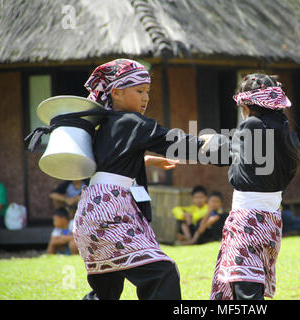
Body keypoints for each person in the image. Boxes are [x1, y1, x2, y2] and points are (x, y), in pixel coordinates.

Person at [72, 58, 214, 300]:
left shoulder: (101, 124)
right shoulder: (132, 122)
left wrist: (147, 160)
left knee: (106, 291)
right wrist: (207, 144)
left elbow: (108, 164)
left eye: (148, 92)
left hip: (88, 216)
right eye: (139, 91)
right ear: (116, 92)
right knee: (162, 273)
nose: (146, 98)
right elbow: (174, 143)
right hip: (111, 215)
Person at [210, 74, 300, 300]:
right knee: (251, 283)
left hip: (248, 219)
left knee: (245, 289)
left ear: (246, 105)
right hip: (271, 220)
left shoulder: (251, 126)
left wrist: (203, 146)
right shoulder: (284, 132)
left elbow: (230, 154)